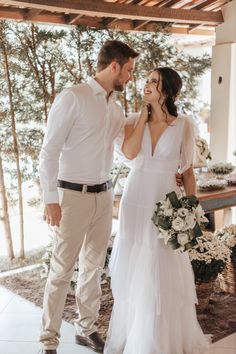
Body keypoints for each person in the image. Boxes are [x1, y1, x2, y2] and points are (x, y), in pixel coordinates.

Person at [38, 40, 139, 354]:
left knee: (94, 267)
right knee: (61, 271)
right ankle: (48, 341)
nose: (131, 77)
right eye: (129, 70)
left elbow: (125, 152)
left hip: (103, 195)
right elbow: (49, 151)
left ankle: (86, 329)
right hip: (71, 196)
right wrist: (50, 198)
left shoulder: (115, 107)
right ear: (114, 67)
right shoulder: (74, 97)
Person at [104, 68, 211, 354]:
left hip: (165, 201)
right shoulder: (133, 120)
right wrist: (142, 115)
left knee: (160, 262)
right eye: (147, 80)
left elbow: (187, 172)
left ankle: (158, 340)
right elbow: (128, 153)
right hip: (135, 198)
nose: (147, 84)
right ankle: (133, 335)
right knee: (134, 261)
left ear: (168, 89)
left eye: (154, 81)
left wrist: (191, 210)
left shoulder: (184, 125)